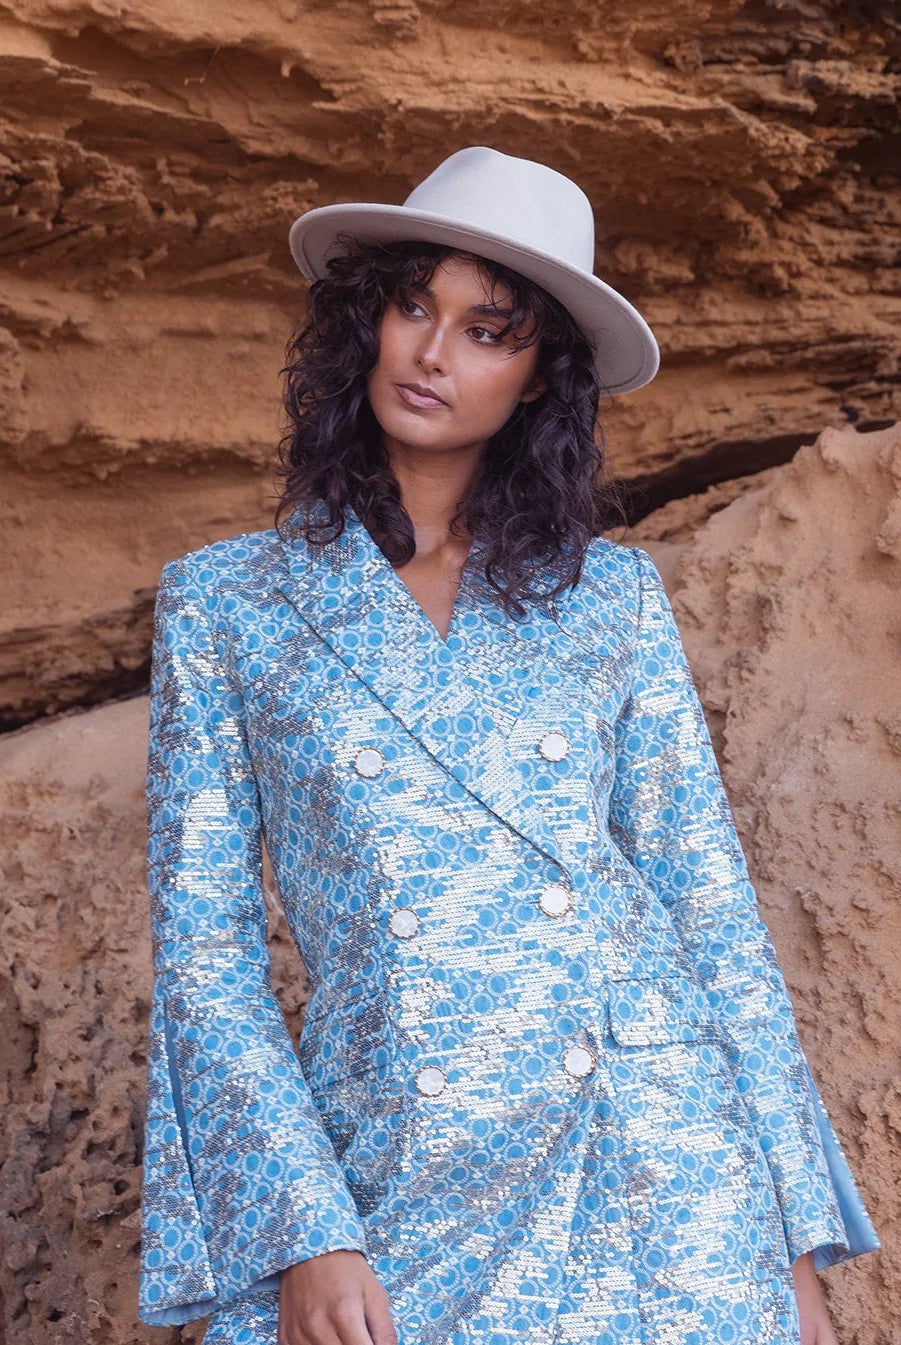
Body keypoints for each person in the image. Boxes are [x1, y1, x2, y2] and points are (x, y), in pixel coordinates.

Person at [137, 147, 879, 1345]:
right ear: (366, 321)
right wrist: (304, 1229)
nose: (432, 352)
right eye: (411, 306)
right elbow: (205, 957)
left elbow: (709, 911)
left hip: (655, 1154)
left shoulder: (610, 599)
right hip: (402, 1156)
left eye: (487, 331)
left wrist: (790, 1239)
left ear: (539, 381)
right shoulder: (227, 603)